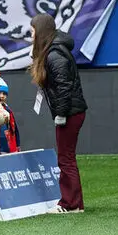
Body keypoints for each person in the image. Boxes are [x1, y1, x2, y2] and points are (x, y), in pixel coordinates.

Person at [31, 12, 88, 214]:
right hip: (72, 110)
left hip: (70, 112)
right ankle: (75, 203)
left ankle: (69, 204)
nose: (31, 36)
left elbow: (64, 86)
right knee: (67, 157)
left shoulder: (55, 54)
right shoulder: (54, 50)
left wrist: (61, 113)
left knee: (65, 158)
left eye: (33, 32)